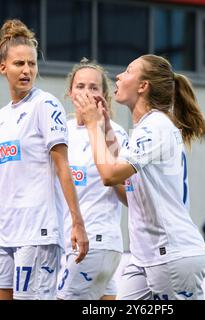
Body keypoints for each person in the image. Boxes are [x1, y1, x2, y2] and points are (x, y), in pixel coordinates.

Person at [0, 19, 89, 300]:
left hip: (38, 234)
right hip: (4, 234)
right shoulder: (1, 118)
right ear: (3, 67)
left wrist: (77, 222)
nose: (27, 70)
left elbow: (62, 167)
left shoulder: (45, 105)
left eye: (32, 64)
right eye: (19, 64)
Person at [73, 54, 205, 300]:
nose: (118, 76)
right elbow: (125, 186)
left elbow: (110, 175)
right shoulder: (146, 127)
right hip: (146, 257)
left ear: (143, 86)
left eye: (127, 71)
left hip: (173, 254)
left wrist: (92, 126)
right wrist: (105, 126)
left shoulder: (155, 126)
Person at [56, 58, 128, 300]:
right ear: (70, 92)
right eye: (80, 86)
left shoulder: (114, 132)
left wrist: (97, 127)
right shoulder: (60, 131)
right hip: (68, 243)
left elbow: (128, 193)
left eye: (94, 87)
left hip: (96, 241)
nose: (86, 93)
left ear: (104, 95)